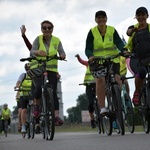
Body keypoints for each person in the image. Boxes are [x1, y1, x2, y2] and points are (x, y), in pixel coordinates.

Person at [85, 10, 127, 115]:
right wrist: (90, 56)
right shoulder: (92, 32)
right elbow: (88, 47)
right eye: (98, 18)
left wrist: (124, 50)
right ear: (95, 20)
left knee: (117, 79)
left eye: (103, 17)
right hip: (98, 61)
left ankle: (117, 100)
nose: (101, 19)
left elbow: (119, 42)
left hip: (113, 59)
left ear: (106, 19)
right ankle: (103, 107)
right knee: (100, 81)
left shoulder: (112, 30)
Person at [30, 20, 66, 126]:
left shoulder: (57, 40)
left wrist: (63, 55)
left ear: (52, 29)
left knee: (53, 91)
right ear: (41, 29)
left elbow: (62, 51)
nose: (47, 30)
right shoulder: (38, 39)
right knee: (37, 88)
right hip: (38, 67)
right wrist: (37, 52)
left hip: (51, 69)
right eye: (44, 28)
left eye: (49, 28)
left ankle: (56, 117)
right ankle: (36, 105)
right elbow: (31, 51)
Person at [125, 7, 150, 106]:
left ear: (147, 16)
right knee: (142, 72)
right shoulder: (134, 27)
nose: (140, 17)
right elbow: (128, 32)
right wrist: (133, 30)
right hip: (136, 59)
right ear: (136, 17)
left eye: (142, 15)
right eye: (138, 15)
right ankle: (137, 92)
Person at [75, 54, 96, 128]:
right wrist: (78, 57)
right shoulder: (88, 64)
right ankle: (92, 119)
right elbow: (81, 61)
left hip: (97, 85)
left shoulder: (100, 64)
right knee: (90, 103)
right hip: (89, 86)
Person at [14, 63, 32, 133]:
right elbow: (18, 82)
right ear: (25, 69)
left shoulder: (34, 75)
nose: (29, 70)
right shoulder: (23, 75)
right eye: (27, 69)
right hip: (23, 95)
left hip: (31, 95)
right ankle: (23, 126)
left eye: (30, 69)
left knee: (36, 106)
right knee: (24, 110)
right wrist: (17, 86)